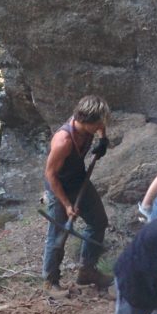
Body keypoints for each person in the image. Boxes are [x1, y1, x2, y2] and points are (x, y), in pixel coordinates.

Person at [42, 95, 113, 289]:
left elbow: (100, 126)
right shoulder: (63, 141)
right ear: (85, 121)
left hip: (79, 180)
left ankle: (87, 271)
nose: (101, 125)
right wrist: (66, 204)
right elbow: (50, 174)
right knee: (58, 234)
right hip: (59, 185)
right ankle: (50, 281)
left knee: (99, 222)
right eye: (98, 123)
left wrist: (103, 140)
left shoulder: (90, 124)